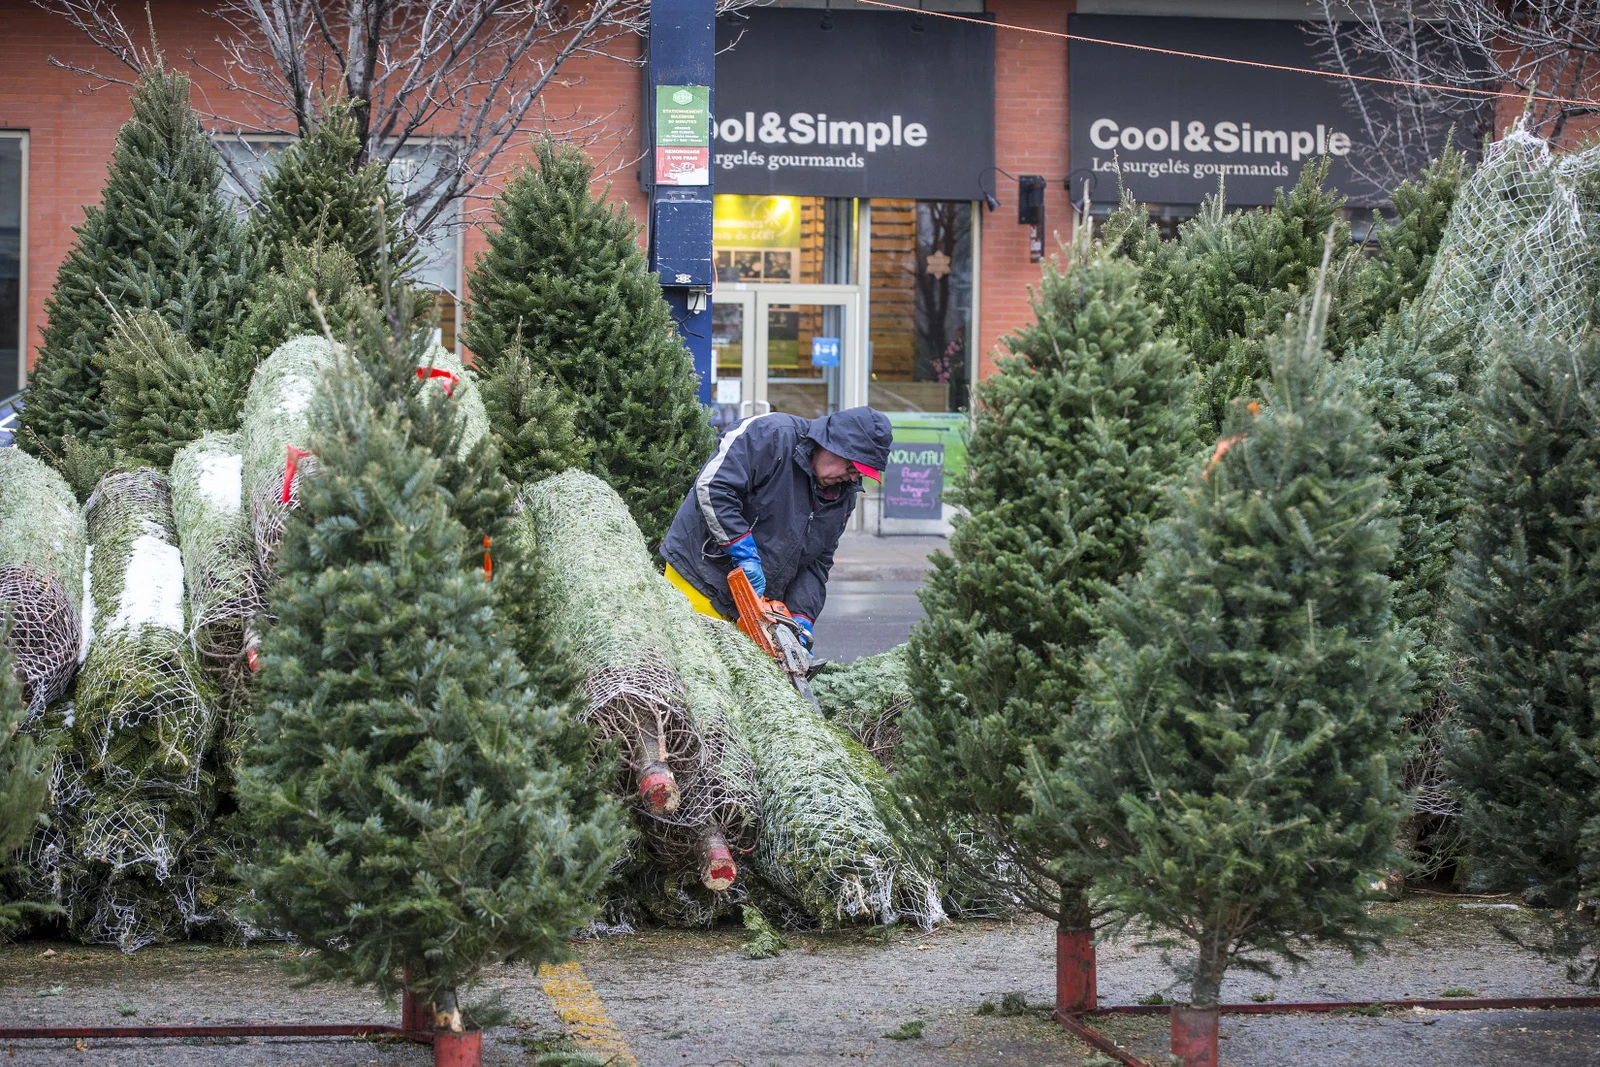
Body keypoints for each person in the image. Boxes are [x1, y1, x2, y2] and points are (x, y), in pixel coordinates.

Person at [661, 406, 893, 647]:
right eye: (852, 468)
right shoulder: (770, 434)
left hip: (756, 607)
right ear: (833, 444)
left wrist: (801, 617)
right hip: (700, 575)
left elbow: (817, 562)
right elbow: (714, 488)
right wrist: (743, 551)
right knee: (691, 658)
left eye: (860, 474)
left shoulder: (843, 495)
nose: (853, 478)